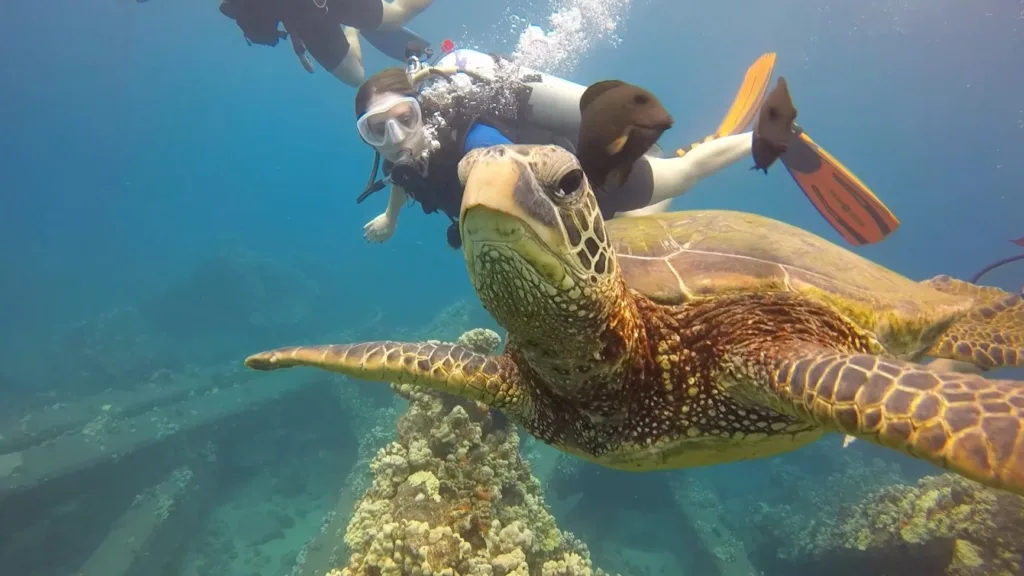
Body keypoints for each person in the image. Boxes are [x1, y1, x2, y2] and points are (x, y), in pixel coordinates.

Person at [354, 48, 901, 249]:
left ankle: (770, 138)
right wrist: (389, 219)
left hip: (572, 177)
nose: (396, 139)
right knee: (633, 228)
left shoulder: (471, 136)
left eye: (404, 120)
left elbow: (501, 165)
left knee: (678, 179)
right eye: (376, 132)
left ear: (423, 107)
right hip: (553, 207)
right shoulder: (402, 162)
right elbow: (406, 179)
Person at [215, 0, 434, 86]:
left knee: (396, 16)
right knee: (355, 76)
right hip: (305, 20)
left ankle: (355, 24)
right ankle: (353, 28)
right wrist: (295, 42)